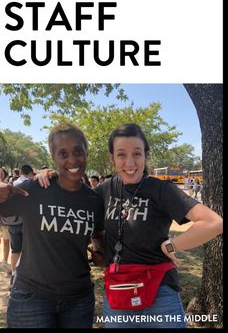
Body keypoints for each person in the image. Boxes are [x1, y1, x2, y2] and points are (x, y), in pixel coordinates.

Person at [36, 123, 223, 329]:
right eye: (121, 155)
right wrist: (50, 176)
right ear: (112, 158)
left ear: (145, 155)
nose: (130, 163)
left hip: (160, 294)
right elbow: (71, 200)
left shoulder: (162, 190)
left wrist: (171, 246)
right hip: (118, 294)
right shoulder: (104, 191)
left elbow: (214, 223)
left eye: (137, 153)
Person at [0, 123, 104, 328]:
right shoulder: (34, 190)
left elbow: (98, 233)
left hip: (78, 301)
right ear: (53, 157)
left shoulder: (94, 199)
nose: (72, 159)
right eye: (63, 153)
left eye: (78, 151)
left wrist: (99, 247)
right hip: (31, 298)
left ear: (86, 153)